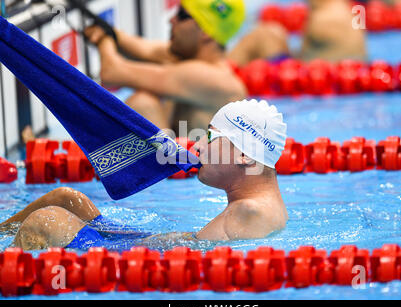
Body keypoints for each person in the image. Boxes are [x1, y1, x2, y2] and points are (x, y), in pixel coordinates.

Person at [0, 100, 288, 251]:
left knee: (45, 220)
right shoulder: (264, 205)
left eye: (211, 137)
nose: (198, 144)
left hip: (133, 260)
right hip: (148, 243)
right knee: (67, 199)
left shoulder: (251, 210)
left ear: (244, 155)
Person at [84, 0, 247, 134]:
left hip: (192, 172)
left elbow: (112, 72)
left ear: (205, 32)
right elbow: (139, 48)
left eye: (181, 16)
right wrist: (103, 29)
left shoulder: (212, 78)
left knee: (144, 104)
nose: (171, 20)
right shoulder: (185, 61)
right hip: (180, 165)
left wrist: (103, 39)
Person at [228, 0, 367, 66]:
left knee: (264, 35)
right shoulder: (340, 8)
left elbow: (309, 63)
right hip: (338, 72)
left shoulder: (324, 19)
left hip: (314, 82)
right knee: (273, 33)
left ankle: (223, 70)